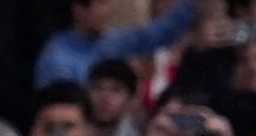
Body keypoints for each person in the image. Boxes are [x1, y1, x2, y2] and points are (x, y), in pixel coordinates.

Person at [34, 0, 197, 89]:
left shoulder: (110, 41)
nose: (107, 11)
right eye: (100, 3)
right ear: (78, 9)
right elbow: (59, 110)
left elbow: (154, 35)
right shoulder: (57, 58)